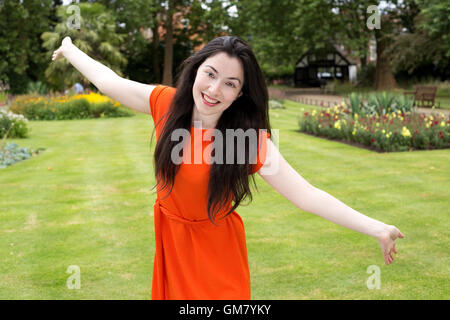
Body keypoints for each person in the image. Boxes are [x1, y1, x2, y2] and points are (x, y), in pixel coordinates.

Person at [52, 36, 405, 300]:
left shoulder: (245, 140)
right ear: (196, 71)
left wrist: (377, 228)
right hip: (172, 243)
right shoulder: (166, 105)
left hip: (216, 256)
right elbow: (110, 82)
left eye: (230, 84)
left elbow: (307, 195)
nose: (214, 89)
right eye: (210, 74)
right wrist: (70, 49)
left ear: (240, 95)